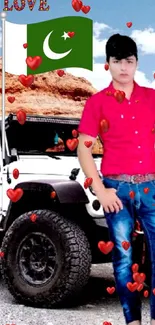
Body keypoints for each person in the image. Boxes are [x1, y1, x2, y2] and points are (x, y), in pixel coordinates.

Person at [77, 33, 155, 325]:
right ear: (107, 64)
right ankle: (132, 322)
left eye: (130, 61)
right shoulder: (96, 103)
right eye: (117, 61)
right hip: (116, 189)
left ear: (137, 64)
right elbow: (84, 151)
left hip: (152, 187)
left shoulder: (152, 98)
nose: (124, 67)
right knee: (123, 260)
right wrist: (101, 191)